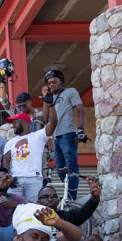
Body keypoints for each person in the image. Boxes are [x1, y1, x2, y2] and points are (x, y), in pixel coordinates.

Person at [43, 69, 85, 200]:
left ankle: (72, 197)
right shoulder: (51, 98)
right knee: (60, 169)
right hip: (57, 136)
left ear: (61, 81)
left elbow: (81, 110)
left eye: (54, 81)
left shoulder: (70, 92)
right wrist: (46, 98)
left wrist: (81, 129)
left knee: (71, 166)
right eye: (49, 83)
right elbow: (45, 118)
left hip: (68, 133)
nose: (51, 85)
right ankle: (69, 195)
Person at [2, 112, 55, 202]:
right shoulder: (10, 142)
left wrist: (50, 104)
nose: (13, 126)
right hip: (15, 180)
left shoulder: (38, 136)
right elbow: (6, 161)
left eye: (15, 122)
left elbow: (53, 124)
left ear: (24, 122)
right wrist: (8, 176)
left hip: (34, 178)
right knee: (13, 208)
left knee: (33, 208)